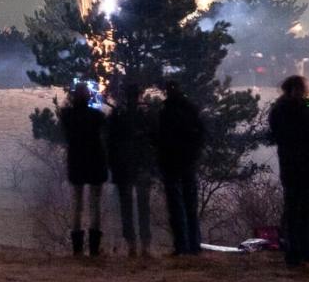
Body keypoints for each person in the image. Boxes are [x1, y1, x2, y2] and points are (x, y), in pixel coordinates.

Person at [268, 75, 309, 269]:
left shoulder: (284, 110)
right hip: (301, 169)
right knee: (302, 213)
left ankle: (305, 253)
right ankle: (303, 253)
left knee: (304, 213)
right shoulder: (287, 111)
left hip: (301, 169)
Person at [155, 79, 204, 255]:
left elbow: (159, 138)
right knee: (190, 205)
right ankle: (193, 244)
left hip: (172, 163)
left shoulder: (165, 111)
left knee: (177, 206)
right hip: (186, 162)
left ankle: (182, 245)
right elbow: (200, 134)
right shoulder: (190, 109)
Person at [104, 82, 154, 256]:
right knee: (142, 207)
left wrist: (113, 165)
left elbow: (110, 142)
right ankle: (144, 244)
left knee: (127, 208)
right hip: (139, 166)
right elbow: (153, 141)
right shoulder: (145, 115)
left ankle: (132, 243)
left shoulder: (119, 115)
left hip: (126, 167)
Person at [58, 84, 108, 256]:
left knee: (77, 205)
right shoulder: (97, 116)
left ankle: (77, 249)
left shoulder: (67, 116)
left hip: (77, 164)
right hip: (95, 163)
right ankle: (94, 249)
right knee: (95, 205)